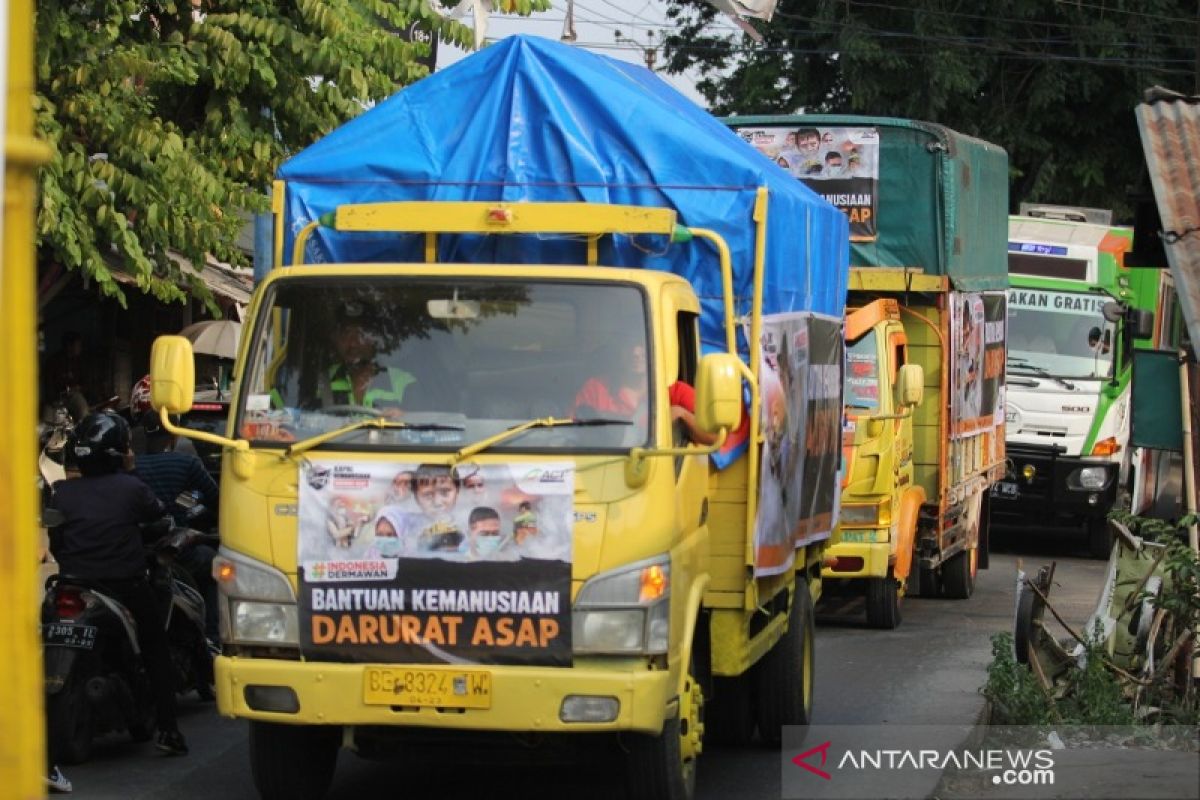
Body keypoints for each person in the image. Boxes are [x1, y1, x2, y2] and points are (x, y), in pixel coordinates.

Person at [46, 411, 188, 756]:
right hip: (124, 585)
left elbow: (57, 542)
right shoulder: (132, 487)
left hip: (70, 583)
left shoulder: (62, 492)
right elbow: (160, 519)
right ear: (119, 451)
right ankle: (168, 728)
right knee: (155, 647)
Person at [132, 409, 220, 640]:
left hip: (137, 553)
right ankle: (212, 637)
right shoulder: (187, 463)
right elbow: (217, 500)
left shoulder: (130, 468)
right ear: (175, 435)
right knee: (215, 564)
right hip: (178, 553)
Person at [571, 339, 717, 445]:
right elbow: (570, 433)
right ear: (619, 351)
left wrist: (682, 414)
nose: (636, 352)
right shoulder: (596, 388)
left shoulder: (676, 391)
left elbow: (714, 438)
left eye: (642, 343)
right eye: (629, 345)